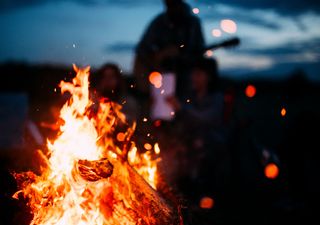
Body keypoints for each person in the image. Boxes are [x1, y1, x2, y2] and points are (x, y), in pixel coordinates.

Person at [134, 0, 205, 96]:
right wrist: (160, 56)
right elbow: (142, 49)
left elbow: (199, 50)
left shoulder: (193, 23)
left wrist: (181, 54)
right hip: (161, 74)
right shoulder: (159, 22)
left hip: (186, 72)